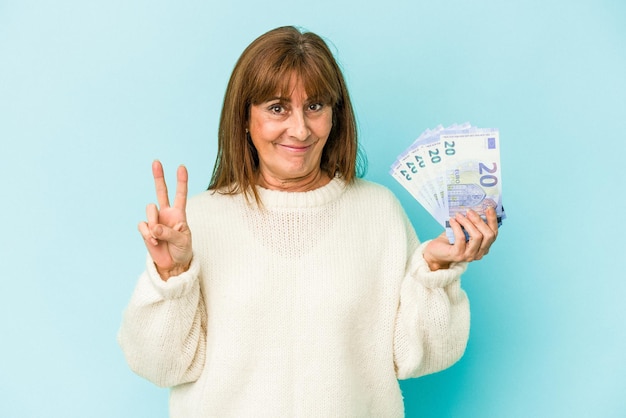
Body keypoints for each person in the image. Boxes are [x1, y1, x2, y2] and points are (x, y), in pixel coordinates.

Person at [118, 25, 498, 417]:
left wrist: (435, 272)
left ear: (335, 116)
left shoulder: (378, 211)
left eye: (315, 106)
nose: (299, 129)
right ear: (245, 119)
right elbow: (159, 365)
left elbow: (422, 357)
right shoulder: (197, 223)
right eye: (277, 108)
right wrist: (172, 276)